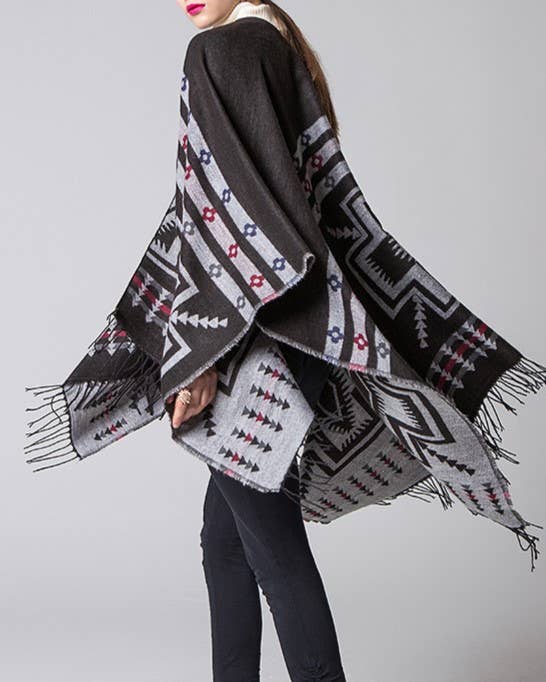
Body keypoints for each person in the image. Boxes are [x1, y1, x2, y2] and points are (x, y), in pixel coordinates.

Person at [168, 2, 348, 680]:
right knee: (225, 542)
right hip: (305, 329)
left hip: (255, 332)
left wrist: (205, 354)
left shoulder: (218, 51)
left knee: (274, 548)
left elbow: (225, 219)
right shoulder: (281, 48)